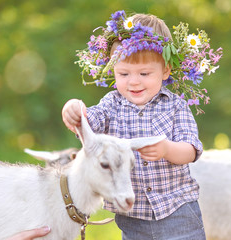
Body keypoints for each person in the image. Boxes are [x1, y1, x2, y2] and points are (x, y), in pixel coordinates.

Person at [62, 10, 222, 240]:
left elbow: (191, 149)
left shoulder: (175, 106)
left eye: (145, 73)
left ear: (165, 70)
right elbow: (90, 124)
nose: (134, 81)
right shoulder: (111, 104)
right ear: (112, 71)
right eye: (124, 73)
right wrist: (75, 110)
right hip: (133, 215)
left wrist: (167, 149)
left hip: (178, 211)